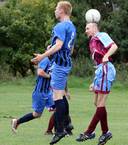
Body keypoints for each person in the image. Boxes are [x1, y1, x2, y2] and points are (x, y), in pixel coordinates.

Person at [31, 1, 76, 144]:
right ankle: (67, 124)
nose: (55, 11)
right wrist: (54, 51)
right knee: (61, 94)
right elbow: (70, 48)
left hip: (59, 66)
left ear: (62, 10)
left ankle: (60, 130)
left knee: (57, 97)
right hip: (66, 63)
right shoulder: (72, 26)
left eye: (56, 8)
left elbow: (59, 45)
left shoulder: (60, 26)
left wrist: (42, 56)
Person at [76, 22, 118, 145]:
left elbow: (114, 46)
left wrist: (107, 55)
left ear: (95, 28)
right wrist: (94, 80)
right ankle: (105, 132)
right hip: (100, 70)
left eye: (87, 28)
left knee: (100, 103)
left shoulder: (101, 35)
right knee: (97, 103)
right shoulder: (92, 40)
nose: (86, 31)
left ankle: (89, 132)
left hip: (106, 68)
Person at [11, 57, 53, 133]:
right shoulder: (45, 60)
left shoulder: (53, 60)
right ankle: (17, 122)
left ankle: (58, 131)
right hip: (40, 92)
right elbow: (40, 72)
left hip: (48, 91)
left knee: (58, 109)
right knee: (37, 114)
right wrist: (50, 76)